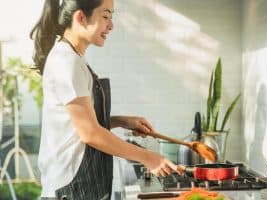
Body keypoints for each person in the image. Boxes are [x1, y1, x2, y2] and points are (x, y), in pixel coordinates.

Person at [30, 0, 181, 199]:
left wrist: (121, 121)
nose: (111, 25)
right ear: (81, 17)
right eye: (106, 16)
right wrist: (147, 158)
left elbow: (75, 126)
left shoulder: (74, 59)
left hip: (80, 185)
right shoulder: (66, 62)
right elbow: (90, 133)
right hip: (71, 189)